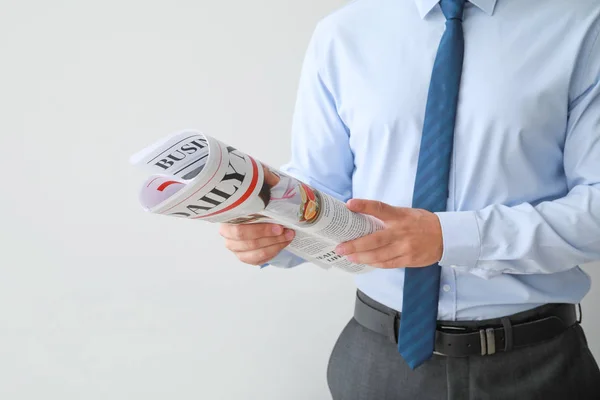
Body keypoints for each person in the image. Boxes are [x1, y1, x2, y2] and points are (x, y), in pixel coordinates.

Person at [219, 0, 600, 398]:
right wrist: (271, 231)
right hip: (378, 360)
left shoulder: (583, 26)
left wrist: (447, 237)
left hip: (536, 366)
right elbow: (321, 186)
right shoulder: (343, 33)